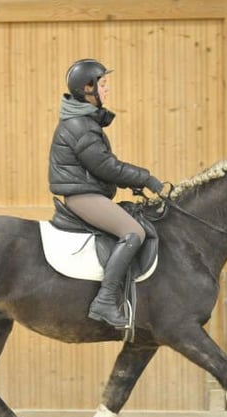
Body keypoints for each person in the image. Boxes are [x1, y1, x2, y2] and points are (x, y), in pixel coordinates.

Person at [48, 58, 170, 328]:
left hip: (89, 192)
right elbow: (106, 166)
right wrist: (146, 178)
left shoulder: (84, 122)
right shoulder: (80, 126)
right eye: (103, 84)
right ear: (87, 89)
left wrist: (133, 183)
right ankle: (105, 300)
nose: (107, 89)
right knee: (133, 233)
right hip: (82, 197)